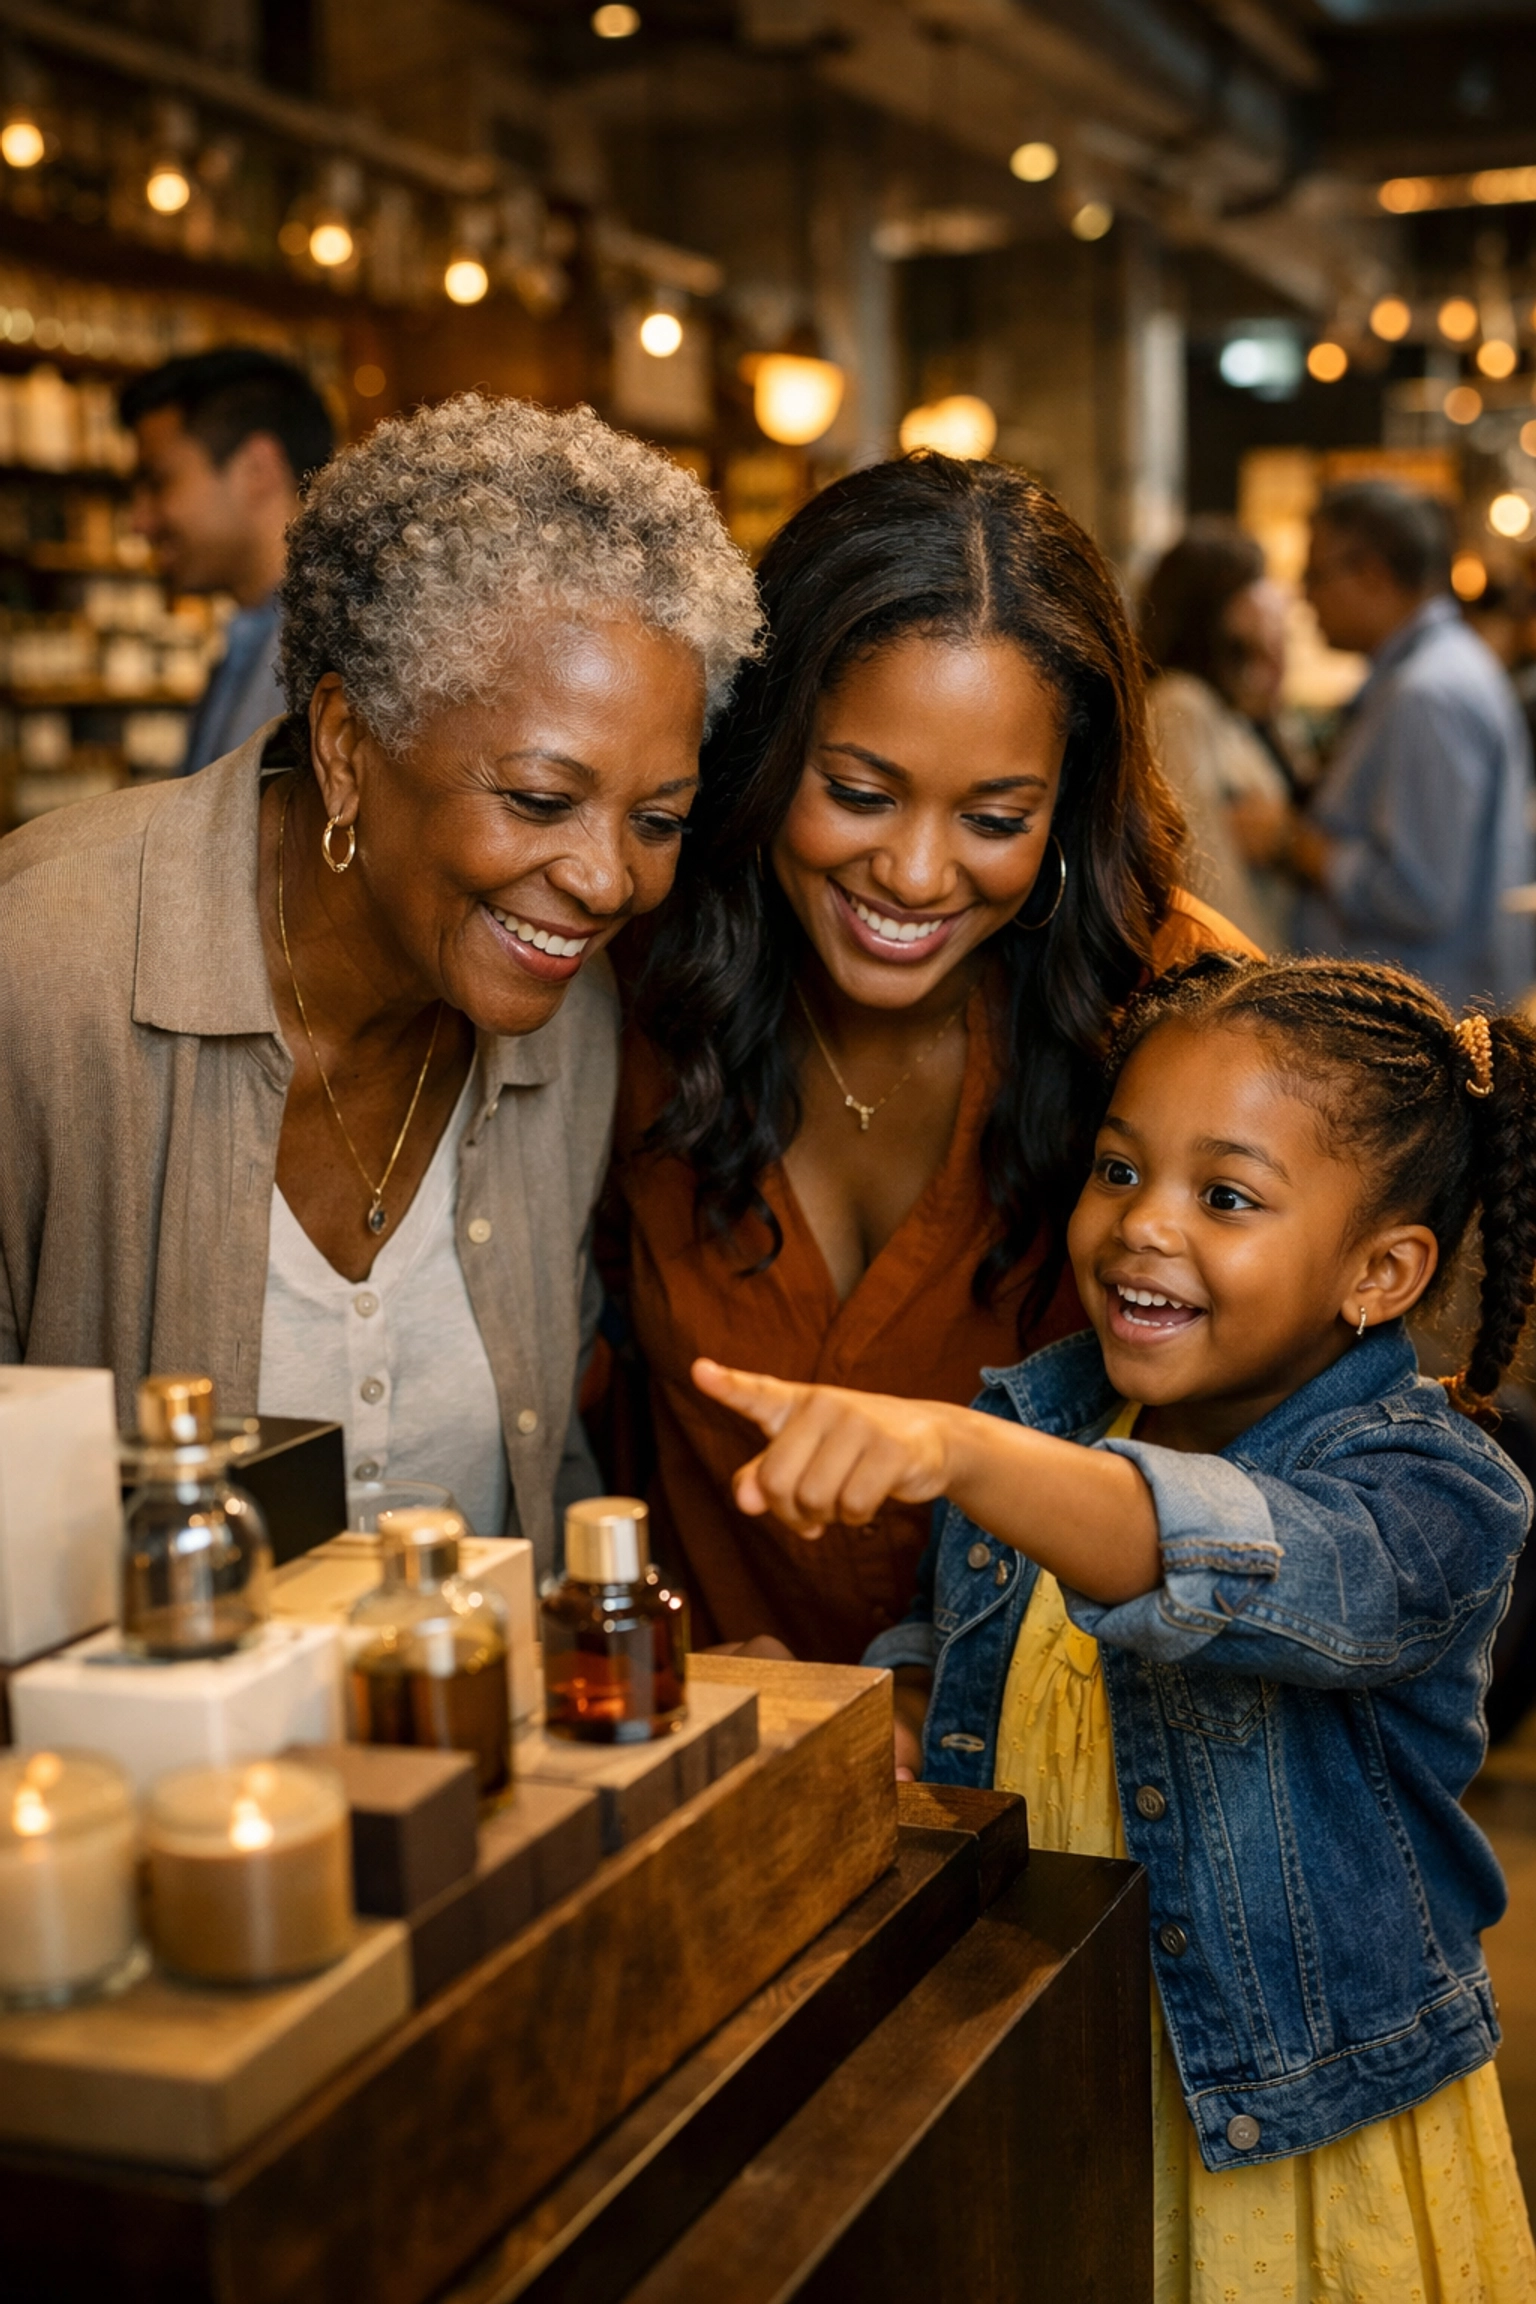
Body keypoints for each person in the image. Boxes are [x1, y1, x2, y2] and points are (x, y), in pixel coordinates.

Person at [699, 950, 1536, 2304]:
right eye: (1117, 1170)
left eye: (1225, 1196)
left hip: (1290, 2142)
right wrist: (870, 1721)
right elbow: (985, 1675)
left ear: (1380, 1272)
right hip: (1056, 2077)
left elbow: (1223, 1556)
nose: (1144, 1225)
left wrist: (958, 1453)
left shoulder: (1432, 1499)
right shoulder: (1044, 1422)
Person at [0, 395, 759, 1563]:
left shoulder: (572, 1021)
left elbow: (546, 1481)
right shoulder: (45, 966)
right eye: (541, 801)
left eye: (657, 818)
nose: (608, 881)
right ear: (349, 749)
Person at [611, 453, 1256, 1664]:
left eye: (996, 819)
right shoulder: (643, 970)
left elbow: (1280, 1492)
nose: (913, 874)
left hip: (1071, 1806)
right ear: (763, 750)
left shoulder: (1187, 1014)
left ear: (1067, 809)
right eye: (858, 792)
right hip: (722, 1755)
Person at [1293, 480, 1533, 1009]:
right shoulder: (1430, 673)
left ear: (1373, 574)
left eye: (1314, 573)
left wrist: (1305, 849)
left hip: (1427, 1025)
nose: (1303, 594)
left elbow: (1419, 895)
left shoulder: (1428, 693)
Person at [121, 346, 336, 777]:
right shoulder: (252, 637)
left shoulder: (339, 653)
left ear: (258, 468)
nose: (138, 522)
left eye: (159, 482)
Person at [1140, 520, 1296, 952]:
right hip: (1236, 964)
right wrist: (1258, 975)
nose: (1271, 601)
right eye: (1255, 585)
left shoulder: (1225, 707)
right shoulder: (1180, 704)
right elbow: (1203, 867)